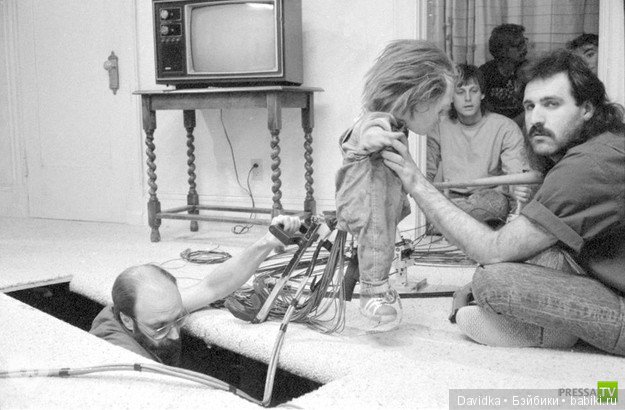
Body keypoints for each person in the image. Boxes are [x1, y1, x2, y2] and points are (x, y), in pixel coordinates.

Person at [377, 49, 625, 355]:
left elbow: (493, 249)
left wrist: (415, 181)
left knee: (491, 280)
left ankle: (556, 333)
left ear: (587, 108)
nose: (536, 119)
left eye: (552, 104)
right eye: (530, 106)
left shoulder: (590, 164)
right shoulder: (602, 146)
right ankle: (552, 329)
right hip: (605, 276)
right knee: (535, 256)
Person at [335, 39, 456, 326]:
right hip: (367, 203)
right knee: (378, 243)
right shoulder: (380, 121)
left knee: (384, 242)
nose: (441, 119)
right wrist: (373, 137)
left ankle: (368, 282)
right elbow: (369, 128)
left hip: (381, 199)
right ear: (418, 98)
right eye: (440, 110)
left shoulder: (396, 123)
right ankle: (373, 293)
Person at [89, 215, 302, 366]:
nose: (175, 335)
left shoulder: (153, 311)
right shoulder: (118, 355)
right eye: (160, 328)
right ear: (127, 320)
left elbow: (212, 287)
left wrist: (267, 241)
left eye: (178, 319)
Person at [427, 63, 532, 227]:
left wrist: (516, 190)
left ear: (482, 94)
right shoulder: (438, 127)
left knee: (495, 205)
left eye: (474, 91)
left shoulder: (505, 127)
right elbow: (425, 172)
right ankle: (455, 222)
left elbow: (516, 176)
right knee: (429, 205)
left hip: (489, 197)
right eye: (460, 92)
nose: (468, 98)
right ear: (450, 97)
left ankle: (448, 223)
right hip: (451, 196)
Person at [479, 24, 528, 128]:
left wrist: (509, 126)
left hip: (519, 127)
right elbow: (481, 107)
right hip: (492, 127)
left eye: (524, 42)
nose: (524, 48)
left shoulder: (528, 71)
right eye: (519, 45)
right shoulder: (485, 72)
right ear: (502, 50)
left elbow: (530, 108)